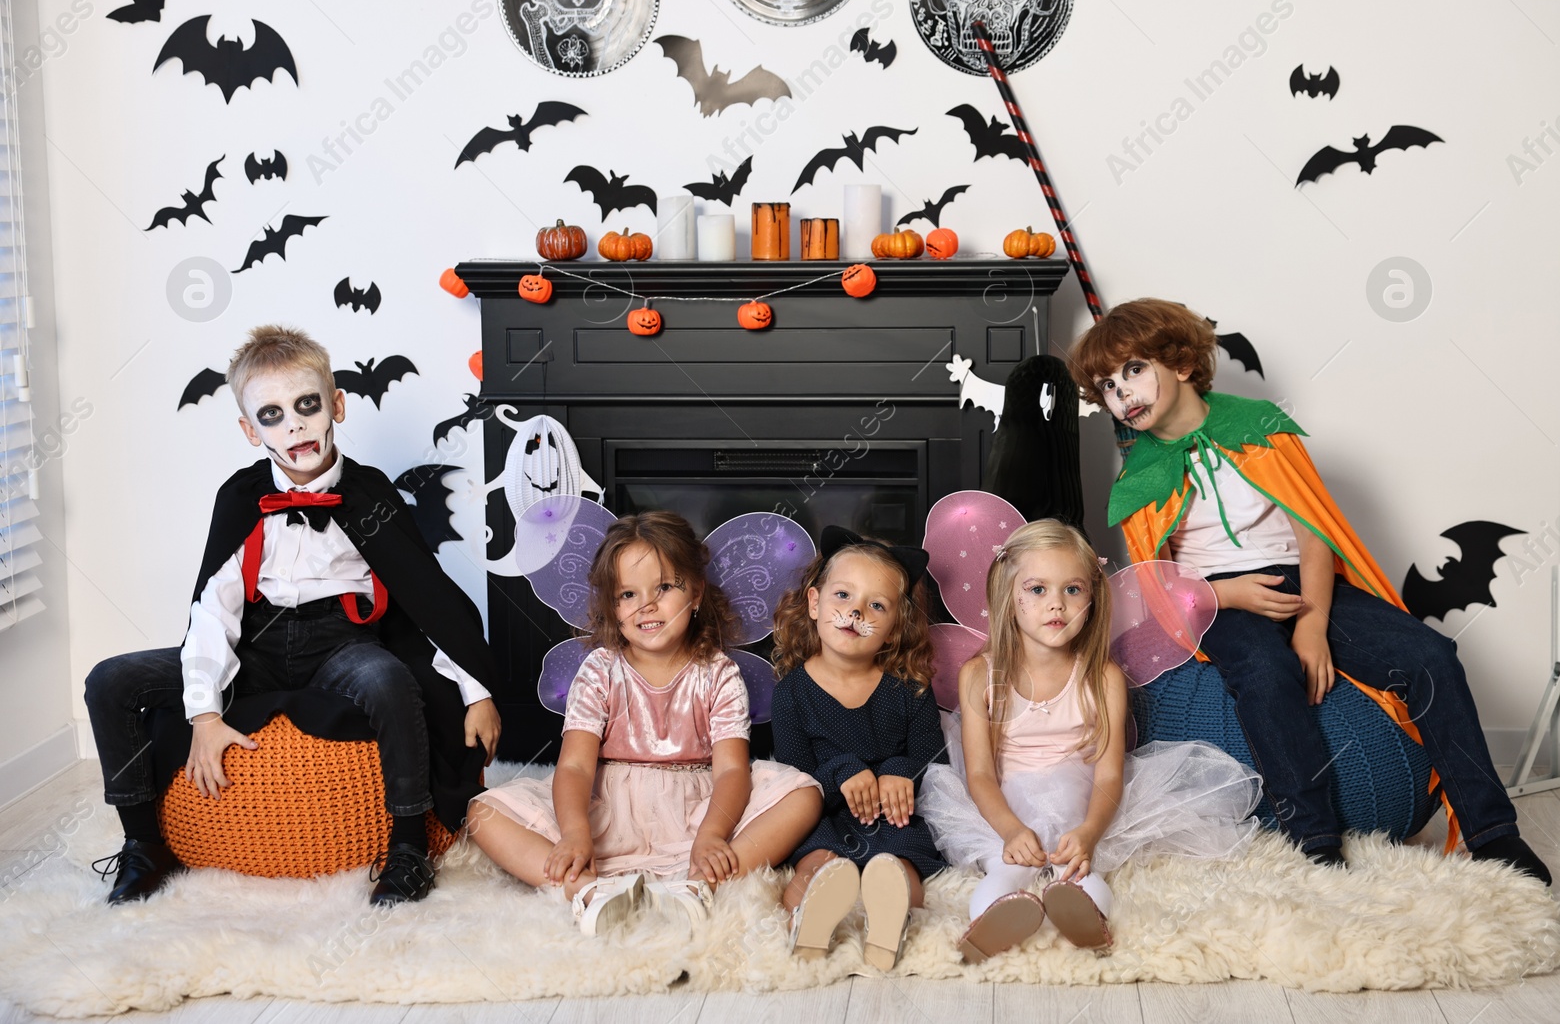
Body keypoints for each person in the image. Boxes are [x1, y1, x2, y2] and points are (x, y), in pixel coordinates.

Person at [1067, 298, 1551, 883]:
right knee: (1268, 676)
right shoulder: (1138, 476)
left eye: (1134, 370)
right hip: (1214, 599)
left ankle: (1494, 833)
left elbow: (1315, 531)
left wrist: (1314, 622)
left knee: (1432, 657)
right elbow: (1160, 584)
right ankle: (1314, 837)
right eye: (1108, 386)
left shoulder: (1260, 428)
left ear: (1182, 364)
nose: (1124, 393)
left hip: (1303, 578)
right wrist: (1226, 597)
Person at [84, 325, 501, 907]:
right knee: (110, 679)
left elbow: (427, 597)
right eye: (272, 414)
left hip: (342, 643)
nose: (295, 424)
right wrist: (204, 714)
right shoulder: (241, 498)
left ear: (336, 405)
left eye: (307, 406)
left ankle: (405, 848)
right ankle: (143, 844)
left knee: (388, 680)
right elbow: (214, 608)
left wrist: (475, 691)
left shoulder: (370, 493)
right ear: (250, 430)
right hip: (254, 646)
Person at [920, 519, 1261, 962]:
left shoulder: (1102, 678)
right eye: (1038, 589)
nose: (1056, 605)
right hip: (1004, 807)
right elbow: (980, 774)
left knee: (1078, 868)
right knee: (1007, 868)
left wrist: (1089, 832)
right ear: (1009, 595)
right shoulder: (980, 675)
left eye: (1073, 590)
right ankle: (991, 922)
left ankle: (1083, 919)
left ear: (1092, 598)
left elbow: (1109, 772)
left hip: (1082, 803)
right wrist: (1009, 830)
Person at [468, 511, 821, 934]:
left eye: (665, 588)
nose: (646, 606)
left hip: (698, 806)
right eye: (627, 595)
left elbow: (731, 769)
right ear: (611, 607)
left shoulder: (718, 672)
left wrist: (712, 835)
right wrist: (576, 833)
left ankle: (699, 885)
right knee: (482, 813)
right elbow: (576, 766)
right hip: (610, 808)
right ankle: (587, 890)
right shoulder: (599, 669)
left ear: (695, 593)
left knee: (804, 795)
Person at [769, 528, 946, 972]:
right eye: (843, 595)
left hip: (893, 817)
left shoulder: (910, 690)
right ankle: (809, 924)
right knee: (815, 861)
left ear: (891, 633)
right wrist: (842, 771)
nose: (855, 613)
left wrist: (899, 771)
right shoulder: (792, 693)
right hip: (826, 816)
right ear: (814, 603)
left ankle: (888, 925)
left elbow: (933, 758)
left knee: (900, 865)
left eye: (876, 606)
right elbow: (794, 777)